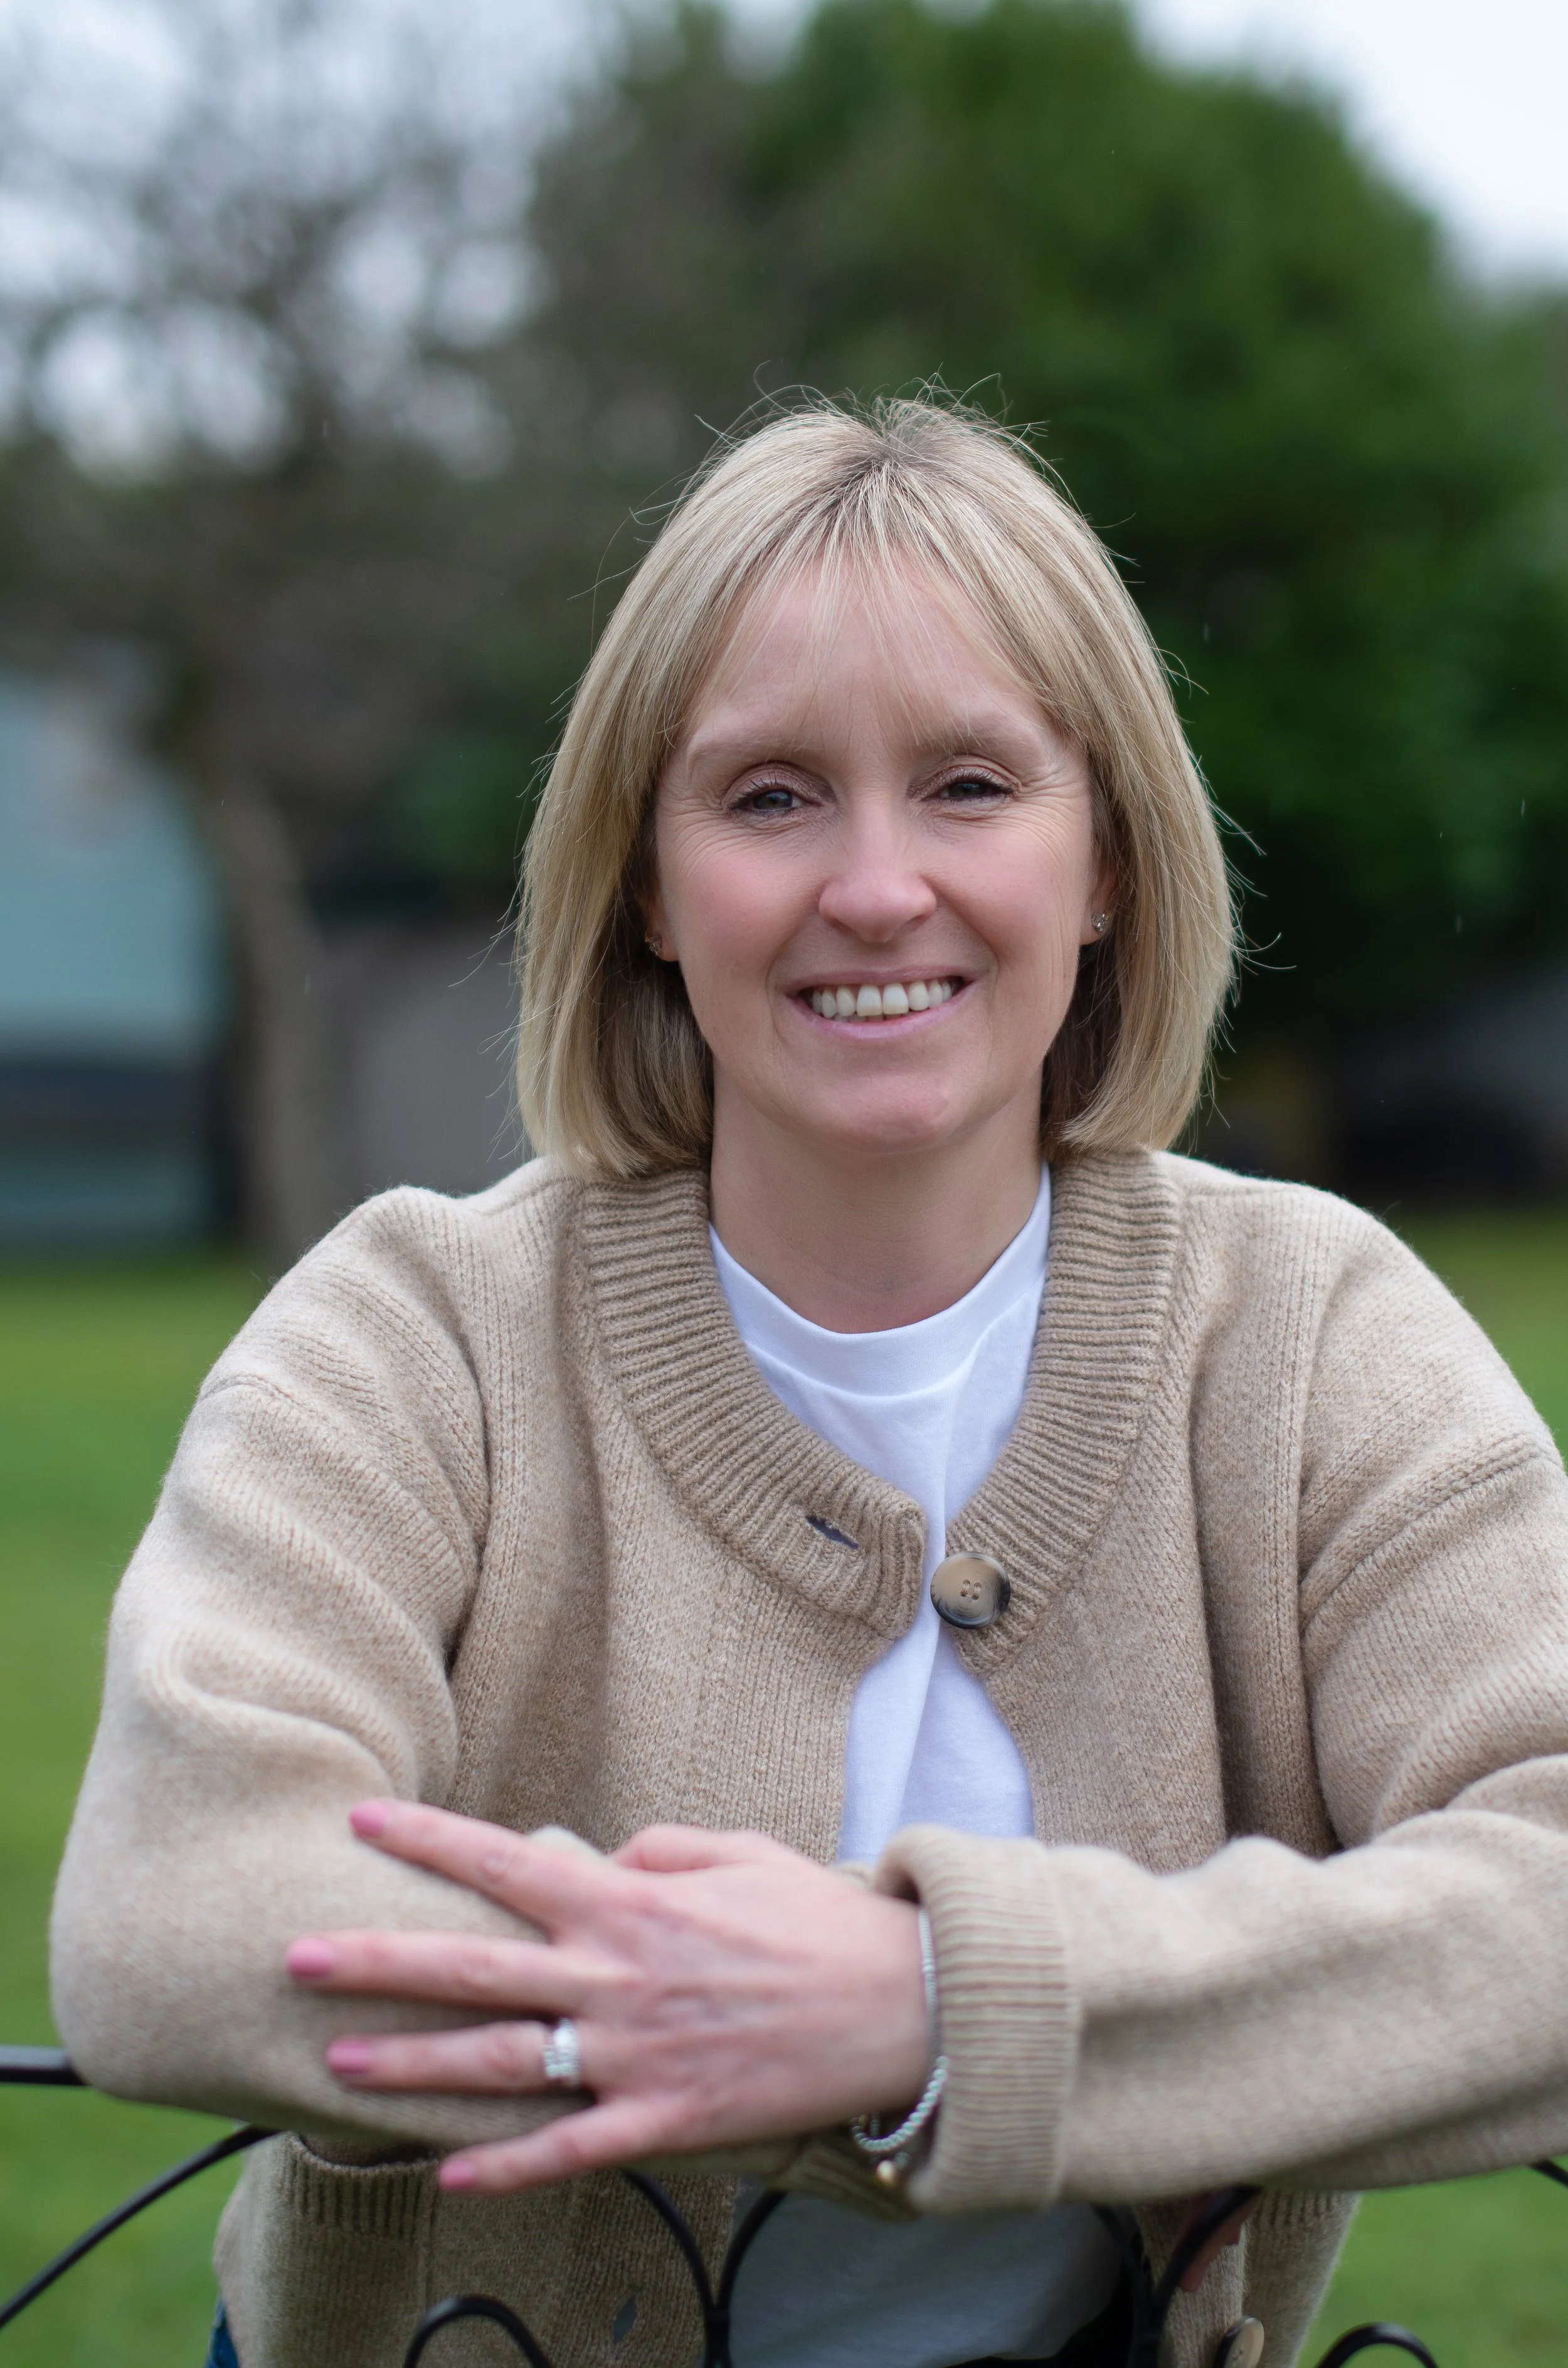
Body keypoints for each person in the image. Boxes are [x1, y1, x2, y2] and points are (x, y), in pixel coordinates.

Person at [50, 398, 1568, 2368]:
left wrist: (940, 2003)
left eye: (965, 784)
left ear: (1100, 856)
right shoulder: (414, 1327)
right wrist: (714, 2007)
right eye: (766, 796)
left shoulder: (1308, 1330)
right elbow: (172, 1912)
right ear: (648, 892)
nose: (872, 885)